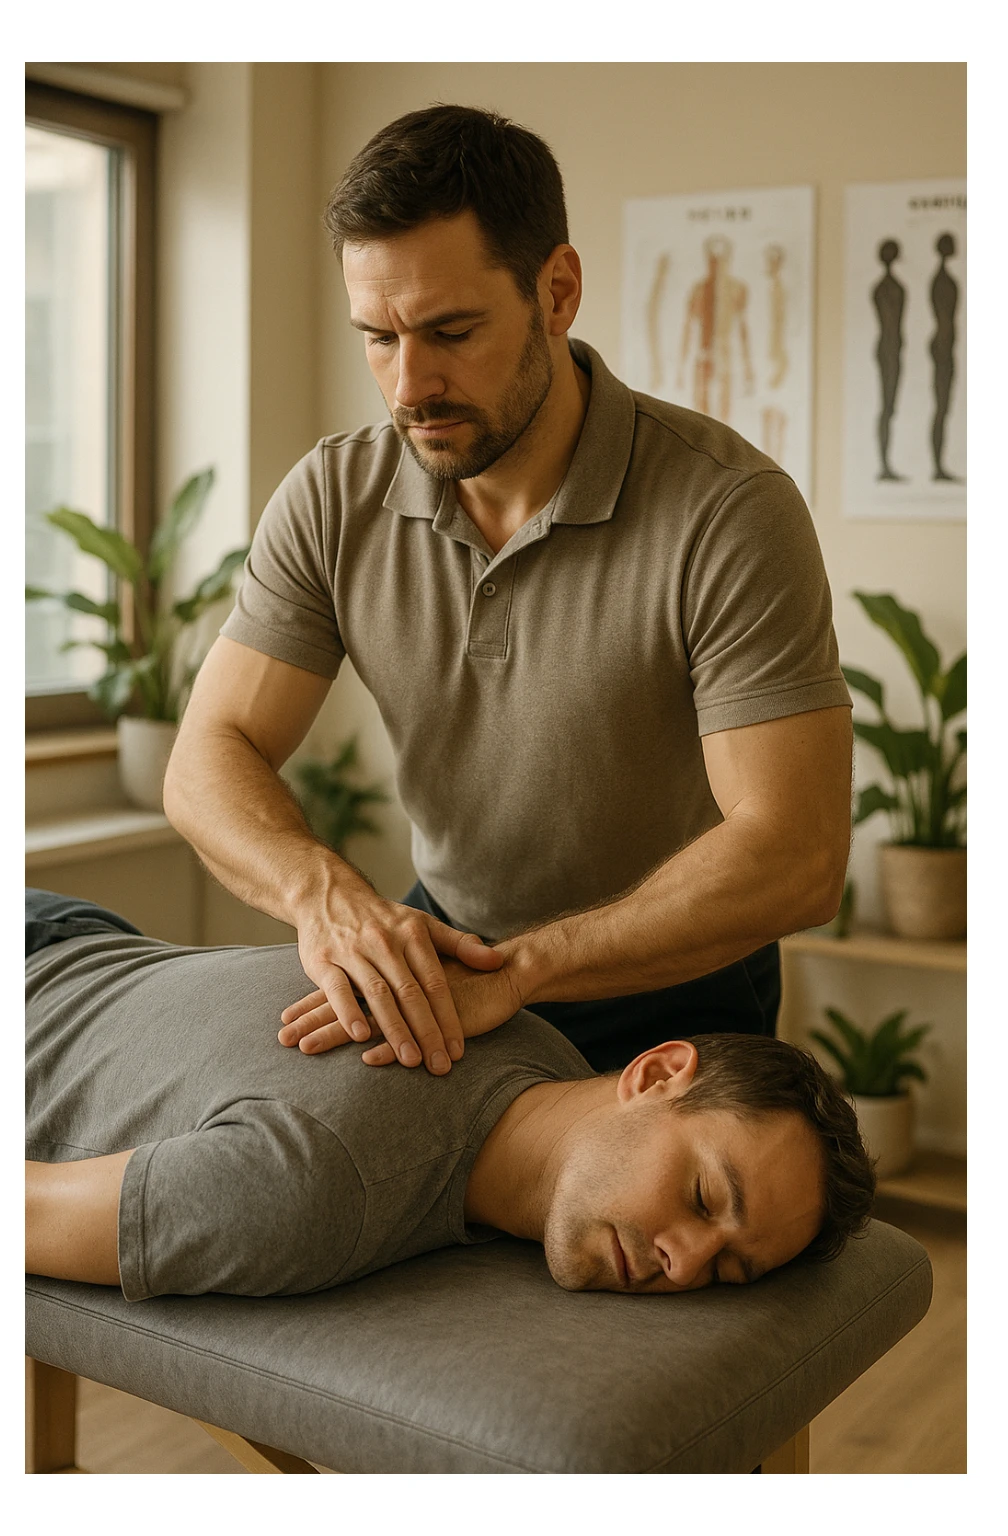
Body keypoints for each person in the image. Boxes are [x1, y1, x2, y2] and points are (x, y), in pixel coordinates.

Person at [162, 104, 853, 1080]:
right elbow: (205, 757)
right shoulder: (332, 493)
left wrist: (525, 971)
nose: (410, 385)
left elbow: (797, 849)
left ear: (556, 291)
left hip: (679, 987)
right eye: (378, 336)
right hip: (451, 958)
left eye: (449, 332)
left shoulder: (725, 510)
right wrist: (328, 897)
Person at [25, 892, 875, 1299]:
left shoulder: (538, 1044)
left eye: (728, 1270)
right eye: (703, 1197)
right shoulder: (310, 1189)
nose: (684, 1262)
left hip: (86, 944)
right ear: (652, 1075)